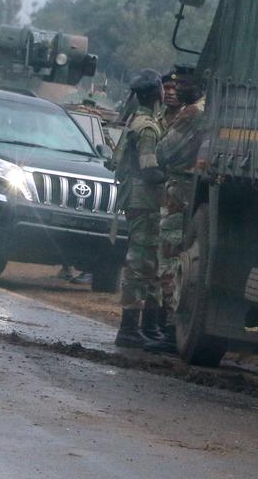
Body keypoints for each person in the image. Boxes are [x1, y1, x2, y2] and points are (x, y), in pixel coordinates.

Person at [147, 69, 205, 353]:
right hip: (184, 190)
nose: (176, 89)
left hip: (179, 191)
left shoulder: (193, 113)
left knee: (169, 261)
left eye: (182, 84)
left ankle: (170, 328)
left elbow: (164, 152)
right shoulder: (198, 111)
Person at [108, 69, 166, 348]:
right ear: (158, 94)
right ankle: (129, 329)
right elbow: (149, 168)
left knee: (150, 263)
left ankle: (149, 328)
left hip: (137, 200)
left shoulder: (136, 121)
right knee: (140, 263)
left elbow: (115, 161)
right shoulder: (147, 128)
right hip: (144, 202)